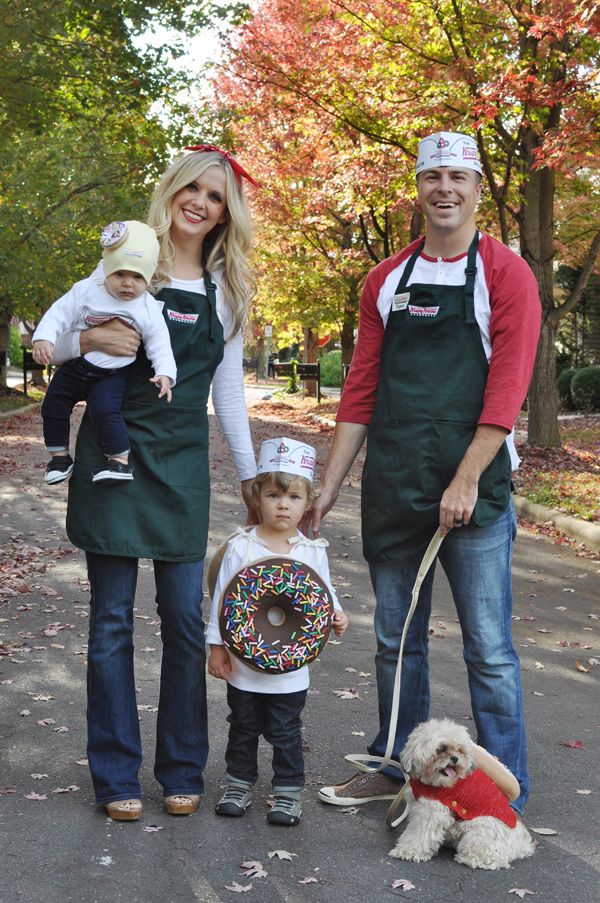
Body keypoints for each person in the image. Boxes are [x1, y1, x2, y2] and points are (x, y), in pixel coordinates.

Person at [310, 132, 541, 815]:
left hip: (476, 491)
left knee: (489, 650)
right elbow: (361, 388)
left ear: (476, 187)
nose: (445, 187)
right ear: (418, 187)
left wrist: (467, 477)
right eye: (433, 175)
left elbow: (507, 387)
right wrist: (330, 486)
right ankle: (397, 767)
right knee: (396, 641)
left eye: (458, 176)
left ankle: (503, 786)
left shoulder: (506, 273)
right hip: (396, 487)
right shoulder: (385, 280)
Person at [51, 145, 259, 821]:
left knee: (180, 621)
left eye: (215, 196)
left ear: (227, 213)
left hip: (180, 465)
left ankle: (179, 765)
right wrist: (90, 346)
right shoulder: (125, 266)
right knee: (110, 623)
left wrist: (253, 477)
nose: (199, 202)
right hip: (115, 455)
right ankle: (115, 774)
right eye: (190, 189)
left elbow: (226, 392)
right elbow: (65, 341)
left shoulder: (224, 291)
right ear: (170, 193)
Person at [207, 437, 349, 826]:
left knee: (286, 731)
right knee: (242, 726)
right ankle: (238, 784)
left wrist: (337, 614)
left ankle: (287, 792)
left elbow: (323, 593)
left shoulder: (311, 551)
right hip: (243, 665)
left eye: (293, 497)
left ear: (307, 503)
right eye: (272, 495)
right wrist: (216, 647)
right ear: (257, 499)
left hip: (291, 671)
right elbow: (223, 597)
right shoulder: (241, 547)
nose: (282, 505)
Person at [32, 221, 176, 485]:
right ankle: (59, 457)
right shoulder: (87, 290)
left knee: (104, 409)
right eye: (120, 274)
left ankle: (119, 461)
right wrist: (43, 338)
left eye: (137, 277)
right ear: (107, 271)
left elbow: (160, 342)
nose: (127, 284)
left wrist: (165, 372)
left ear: (147, 279)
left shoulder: (147, 307)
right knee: (53, 403)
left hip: (111, 373)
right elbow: (58, 313)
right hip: (77, 366)